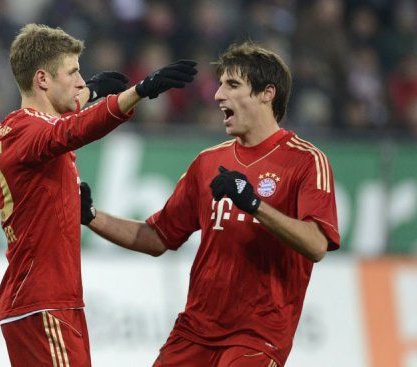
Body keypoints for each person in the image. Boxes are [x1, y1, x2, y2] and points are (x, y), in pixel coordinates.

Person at [81, 42, 340, 367]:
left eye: (232, 85)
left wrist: (254, 204)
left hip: (257, 337)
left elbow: (317, 244)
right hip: (194, 331)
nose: (218, 95)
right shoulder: (208, 162)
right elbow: (157, 237)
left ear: (267, 93)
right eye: (220, 85)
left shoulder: (305, 161)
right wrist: (90, 216)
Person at [0, 23, 197, 367]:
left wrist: (90, 92)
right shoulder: (27, 129)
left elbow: (62, 123)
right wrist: (139, 91)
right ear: (42, 79)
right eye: (72, 73)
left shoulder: (27, 127)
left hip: (49, 300)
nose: (81, 82)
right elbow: (72, 130)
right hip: (43, 301)